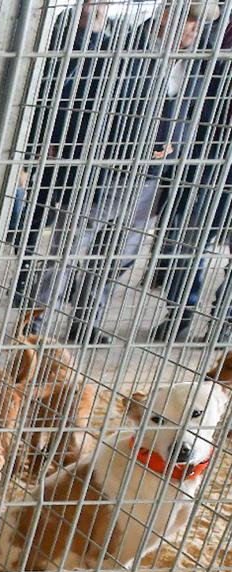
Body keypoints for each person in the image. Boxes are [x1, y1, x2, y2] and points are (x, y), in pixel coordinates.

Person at [25, 1, 215, 346]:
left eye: (197, 25)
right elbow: (78, 94)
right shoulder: (125, 47)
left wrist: (173, 152)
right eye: (188, 21)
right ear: (166, 16)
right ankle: (36, 320)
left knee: (117, 256)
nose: (193, 30)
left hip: (149, 179)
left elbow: (187, 119)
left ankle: (86, 322)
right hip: (105, 170)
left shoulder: (193, 66)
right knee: (69, 249)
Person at [12, 0, 113, 306]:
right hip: (53, 144)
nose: (97, 7)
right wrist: (39, 142)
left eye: (103, 4)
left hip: (84, 147)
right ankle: (23, 276)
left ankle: (55, 284)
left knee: (69, 224)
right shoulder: (61, 34)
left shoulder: (110, 42)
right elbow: (43, 90)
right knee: (36, 216)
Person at [149, 15, 232, 342]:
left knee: (192, 238)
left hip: (210, 152)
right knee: (189, 239)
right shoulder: (214, 33)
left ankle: (224, 321)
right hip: (209, 152)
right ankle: (181, 313)